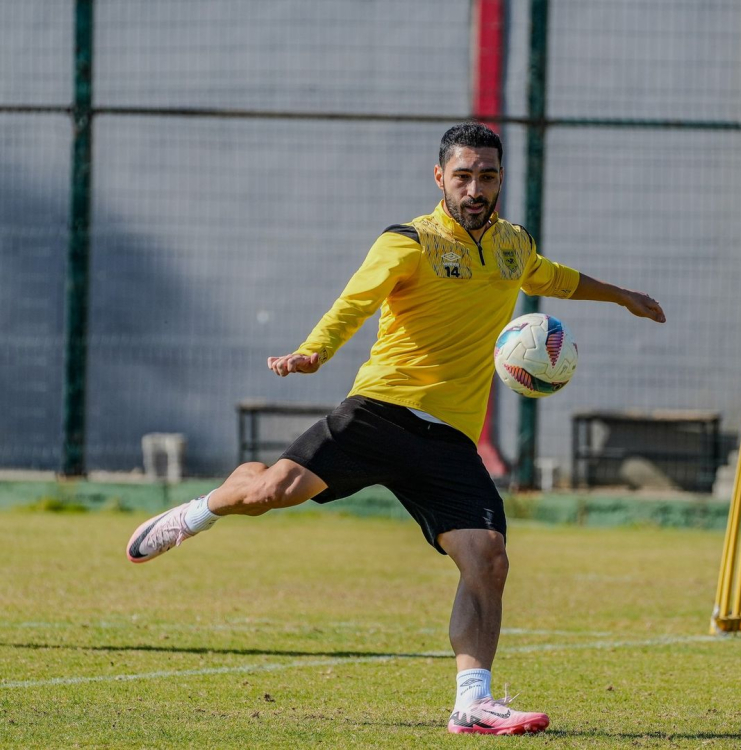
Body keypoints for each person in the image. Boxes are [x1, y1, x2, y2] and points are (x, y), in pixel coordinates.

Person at [127, 122, 665, 736]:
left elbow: (553, 277)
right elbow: (356, 300)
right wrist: (313, 352)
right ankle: (199, 511)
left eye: (486, 176)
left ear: (500, 179)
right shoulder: (409, 241)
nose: (475, 187)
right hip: (382, 412)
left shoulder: (514, 246)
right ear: (440, 178)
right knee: (266, 492)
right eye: (462, 176)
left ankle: (473, 703)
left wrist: (623, 296)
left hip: (450, 441)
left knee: (488, 560)